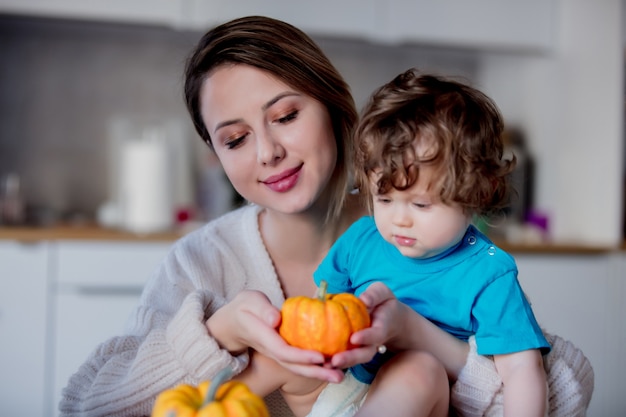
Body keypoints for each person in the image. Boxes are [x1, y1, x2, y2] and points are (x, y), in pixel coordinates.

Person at [58, 16, 461, 417]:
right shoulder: (198, 262)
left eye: (286, 117)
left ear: (332, 104)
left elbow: (509, 390)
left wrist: (414, 333)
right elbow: (83, 406)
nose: (267, 152)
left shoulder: (423, 231)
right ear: (217, 155)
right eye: (235, 139)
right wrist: (219, 334)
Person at [313, 68, 553, 416]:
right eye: (384, 199)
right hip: (343, 393)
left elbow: (520, 370)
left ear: (475, 195)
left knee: (417, 368)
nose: (400, 219)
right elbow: (319, 312)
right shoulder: (360, 240)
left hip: (425, 397)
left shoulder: (489, 271)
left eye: (421, 204)